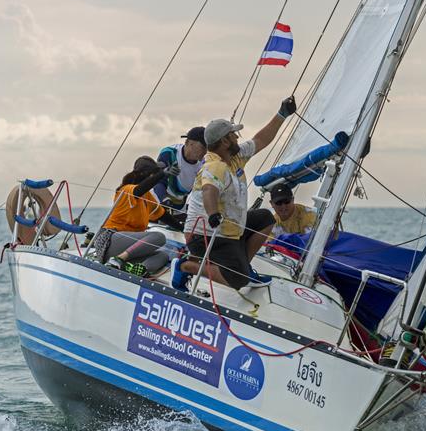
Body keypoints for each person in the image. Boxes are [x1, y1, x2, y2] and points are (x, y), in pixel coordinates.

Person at [171, 96, 297, 291]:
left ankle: (242, 267)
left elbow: (261, 139)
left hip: (229, 230)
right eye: (234, 135)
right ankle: (185, 266)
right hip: (205, 235)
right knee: (239, 281)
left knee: (264, 218)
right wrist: (213, 214)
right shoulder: (214, 166)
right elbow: (208, 190)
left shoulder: (235, 156)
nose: (238, 137)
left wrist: (282, 114)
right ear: (224, 141)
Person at [94, 156, 184, 276]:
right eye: (153, 174)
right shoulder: (126, 190)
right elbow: (139, 190)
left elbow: (163, 215)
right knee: (159, 237)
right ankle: (118, 259)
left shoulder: (146, 196)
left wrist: (185, 229)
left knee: (163, 255)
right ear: (144, 174)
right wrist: (163, 174)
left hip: (130, 247)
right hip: (109, 242)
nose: (154, 177)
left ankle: (137, 269)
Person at [153, 126, 207, 213]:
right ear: (189, 143)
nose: (205, 151)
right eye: (203, 147)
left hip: (182, 207)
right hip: (159, 201)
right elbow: (158, 180)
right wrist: (164, 200)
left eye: (207, 148)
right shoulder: (170, 153)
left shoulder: (204, 163)